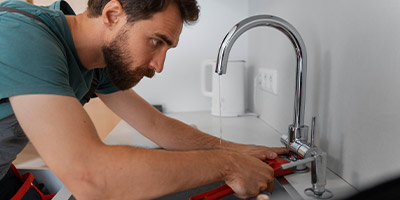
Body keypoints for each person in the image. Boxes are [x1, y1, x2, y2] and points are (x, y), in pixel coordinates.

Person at [0, 0, 288, 199]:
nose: (159, 65)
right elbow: (90, 177)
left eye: (167, 48)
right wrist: (227, 165)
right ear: (113, 15)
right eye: (156, 41)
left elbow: (155, 125)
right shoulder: (24, 36)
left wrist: (239, 151)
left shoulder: (99, 62)